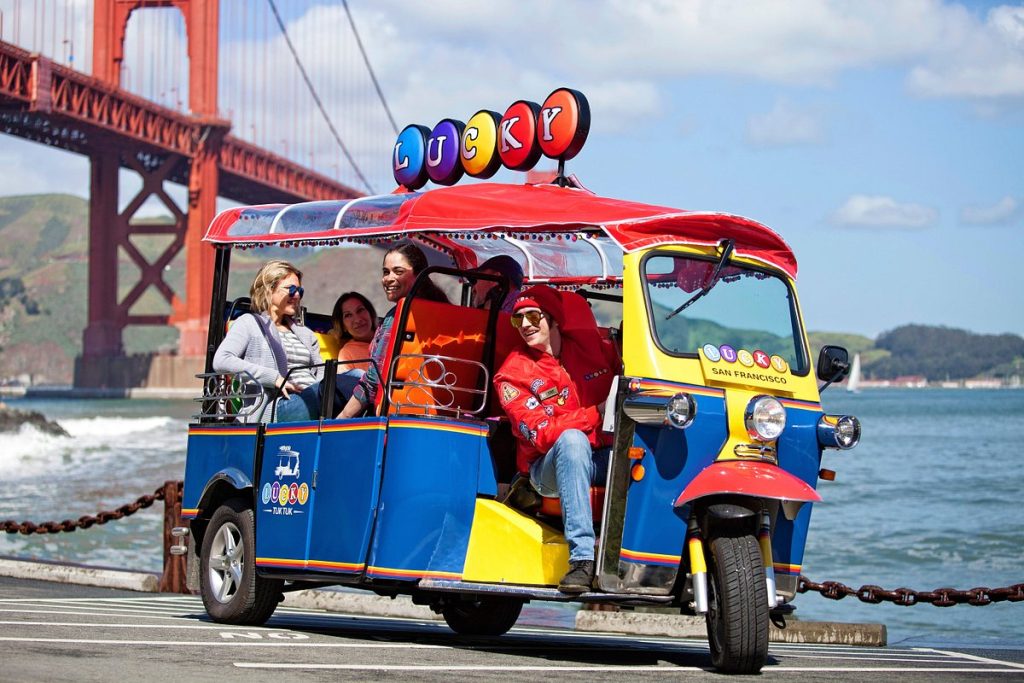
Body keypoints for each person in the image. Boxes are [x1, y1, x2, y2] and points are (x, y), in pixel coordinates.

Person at [493, 285, 621, 593]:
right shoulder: (511, 375)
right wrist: (597, 412)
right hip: (544, 469)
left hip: (600, 457)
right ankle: (582, 560)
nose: (524, 325)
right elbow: (543, 434)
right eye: (517, 319)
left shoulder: (597, 348)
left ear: (554, 320)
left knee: (643, 449)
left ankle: (650, 553)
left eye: (533, 316)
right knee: (572, 440)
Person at [213, 260, 358, 423]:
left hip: (314, 397)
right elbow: (221, 360)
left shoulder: (306, 334)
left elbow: (320, 374)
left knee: (359, 377)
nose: (297, 295)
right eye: (291, 289)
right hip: (277, 406)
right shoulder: (249, 323)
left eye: (300, 291)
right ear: (269, 289)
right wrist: (274, 378)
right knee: (356, 384)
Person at [337, 243, 448, 419]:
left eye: (398, 271)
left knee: (332, 386)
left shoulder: (398, 316)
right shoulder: (444, 310)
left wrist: (342, 417)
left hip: (394, 405)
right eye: (386, 272)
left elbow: (375, 377)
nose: (388, 278)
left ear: (419, 274)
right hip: (439, 402)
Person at [331, 291, 378, 373]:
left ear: (370, 313)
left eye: (360, 310)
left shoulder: (391, 335)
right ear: (343, 326)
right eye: (348, 315)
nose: (357, 320)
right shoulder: (347, 353)